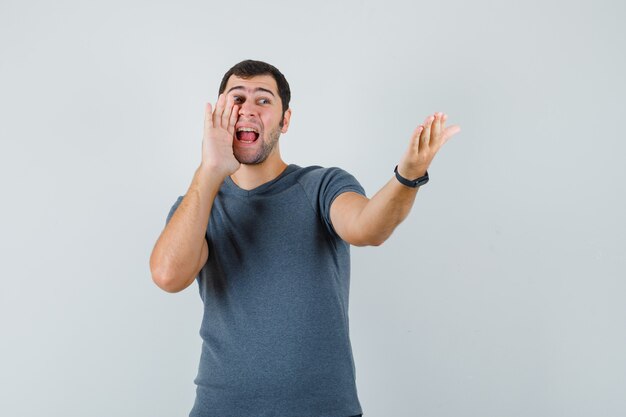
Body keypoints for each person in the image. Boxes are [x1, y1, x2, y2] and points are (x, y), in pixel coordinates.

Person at [149, 59, 461, 417]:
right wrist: (210, 170)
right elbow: (168, 276)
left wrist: (407, 177)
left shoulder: (321, 186)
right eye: (236, 99)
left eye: (263, 100)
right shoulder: (198, 203)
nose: (247, 108)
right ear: (219, 114)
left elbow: (367, 228)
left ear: (285, 120)